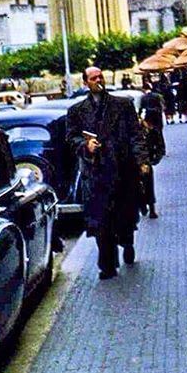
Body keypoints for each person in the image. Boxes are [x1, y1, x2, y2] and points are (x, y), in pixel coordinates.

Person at [66, 66, 149, 280]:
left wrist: (141, 160)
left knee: (125, 216)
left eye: (100, 76)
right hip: (95, 174)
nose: (98, 80)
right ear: (86, 82)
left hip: (122, 170)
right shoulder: (77, 111)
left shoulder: (122, 105)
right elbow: (71, 137)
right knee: (101, 221)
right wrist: (86, 146)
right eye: (94, 78)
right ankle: (107, 265)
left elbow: (135, 134)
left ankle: (128, 242)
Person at [141, 112, 166, 219]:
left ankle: (151, 208)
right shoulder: (132, 131)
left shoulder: (153, 132)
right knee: (137, 186)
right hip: (132, 162)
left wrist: (155, 160)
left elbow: (160, 147)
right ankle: (142, 205)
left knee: (148, 186)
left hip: (146, 162)